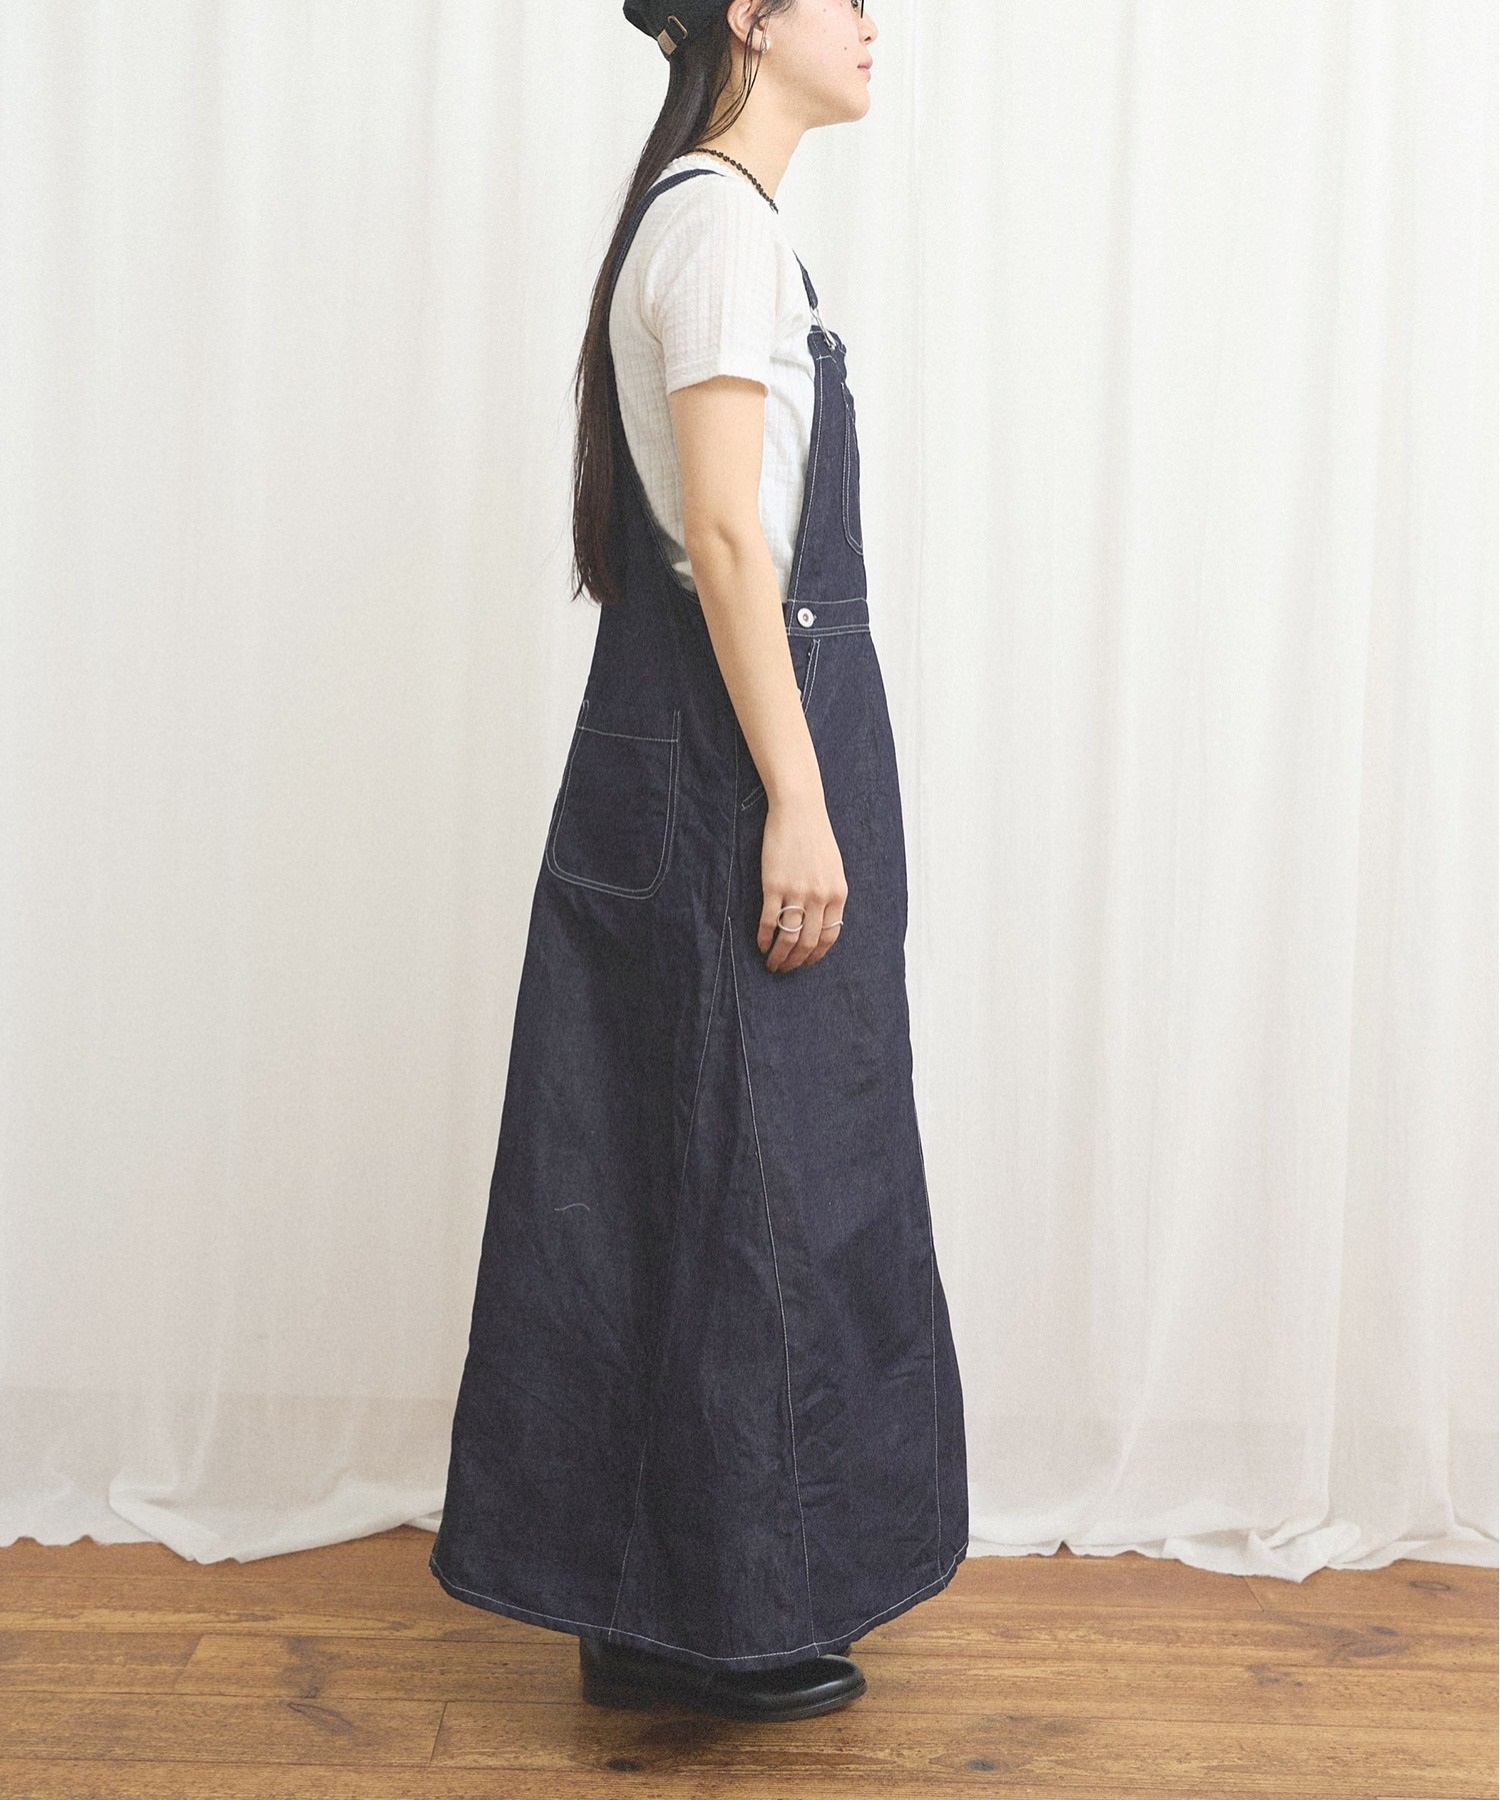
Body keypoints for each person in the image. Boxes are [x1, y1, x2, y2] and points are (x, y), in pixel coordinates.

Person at [428, 0, 968, 1724]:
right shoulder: (721, 232)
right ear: (750, 17)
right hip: (738, 753)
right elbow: (729, 535)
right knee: (758, 1181)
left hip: (707, 733)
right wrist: (797, 798)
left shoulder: (710, 221)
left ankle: (655, 1608)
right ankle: (714, 1615)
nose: (874, 22)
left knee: (684, 1168)